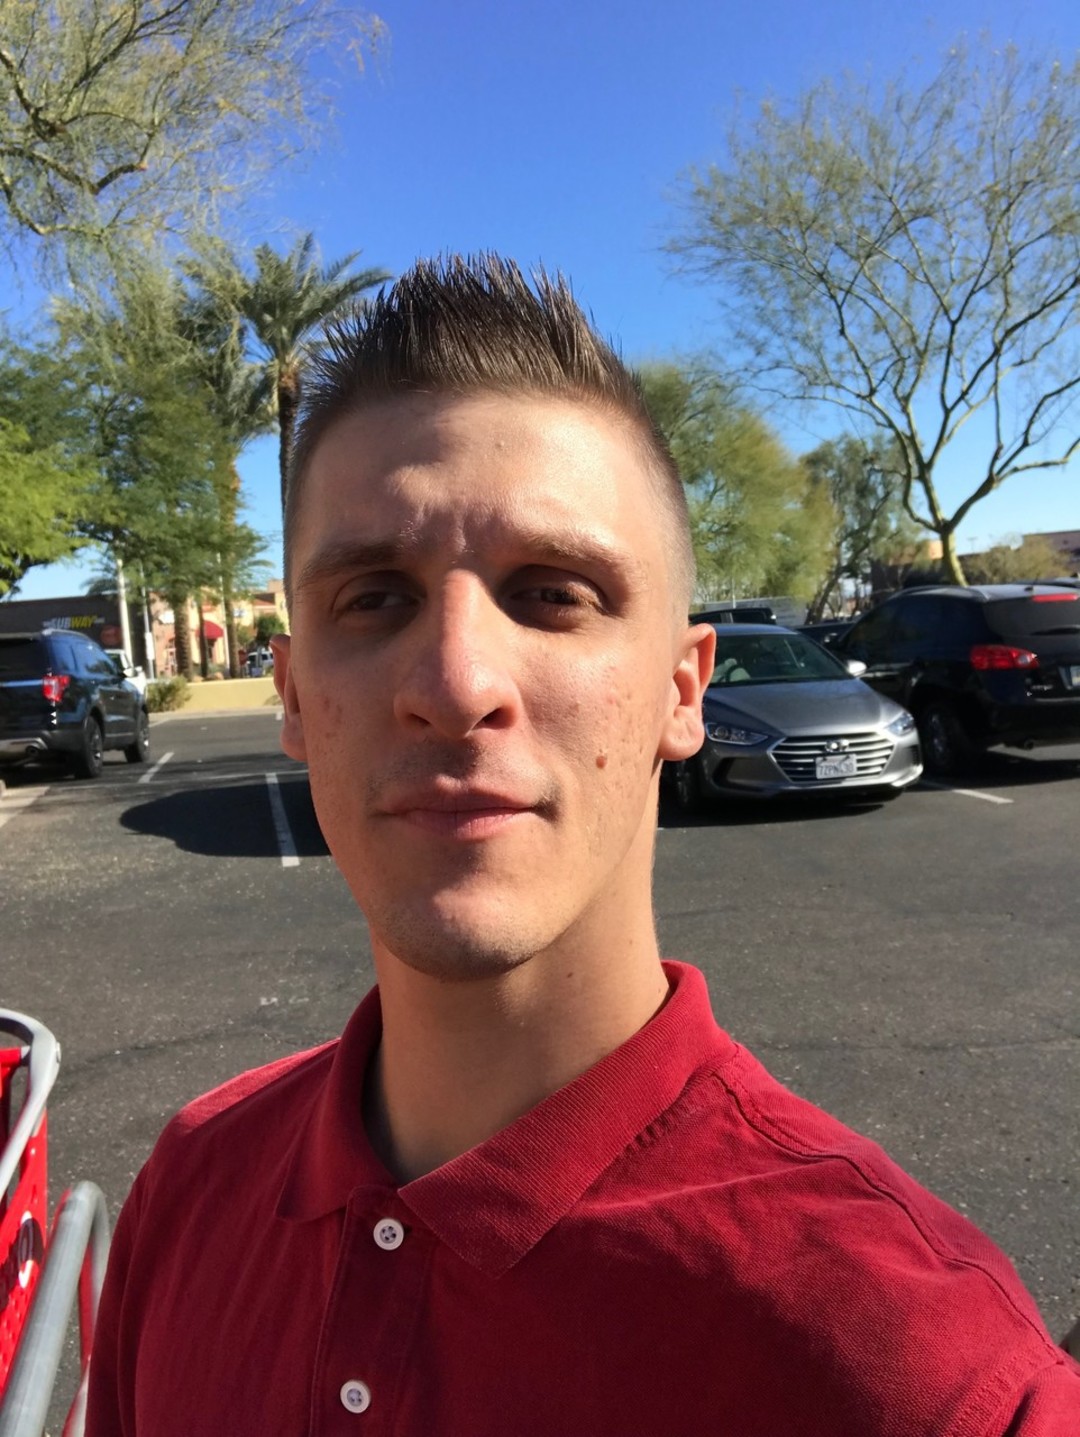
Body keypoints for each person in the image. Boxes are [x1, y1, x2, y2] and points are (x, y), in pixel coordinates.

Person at [86, 256, 1079, 1436]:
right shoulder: (191, 1184)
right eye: (375, 597)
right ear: (294, 697)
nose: (455, 682)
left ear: (681, 690)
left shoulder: (928, 1375)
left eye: (553, 593)